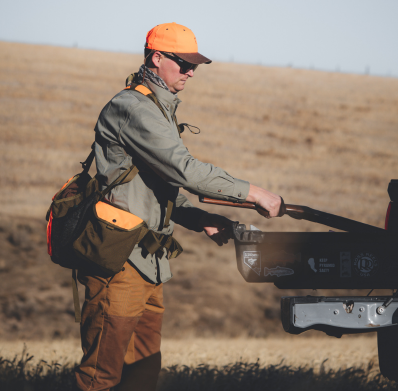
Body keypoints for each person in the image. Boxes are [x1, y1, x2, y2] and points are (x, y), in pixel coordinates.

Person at [74, 22, 284, 391]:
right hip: (118, 263)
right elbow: (185, 171)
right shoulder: (134, 108)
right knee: (100, 377)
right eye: (183, 63)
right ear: (156, 57)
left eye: (195, 66)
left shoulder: (159, 108)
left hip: (148, 264)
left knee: (141, 374)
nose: (190, 72)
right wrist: (255, 193)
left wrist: (200, 218)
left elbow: (160, 186)